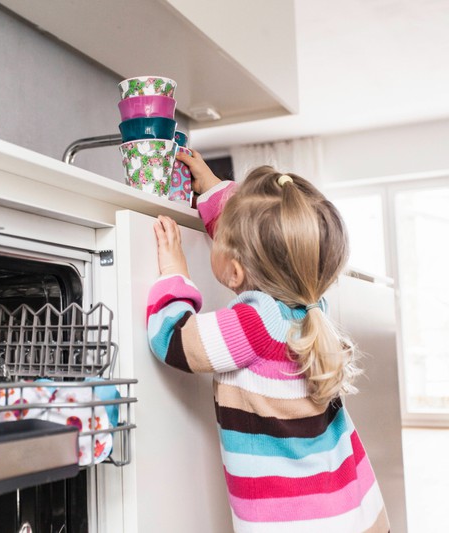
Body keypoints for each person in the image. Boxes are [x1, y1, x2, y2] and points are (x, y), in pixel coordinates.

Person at [146, 149, 389, 532]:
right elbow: (265, 245)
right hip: (351, 508)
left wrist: (174, 274)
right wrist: (212, 190)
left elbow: (172, 340)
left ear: (237, 270)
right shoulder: (306, 304)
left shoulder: (254, 323)